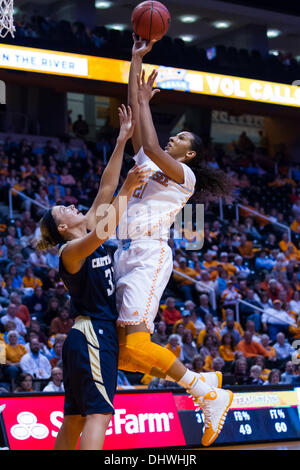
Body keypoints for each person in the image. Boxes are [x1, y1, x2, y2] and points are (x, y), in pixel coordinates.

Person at [36, 104, 149, 451]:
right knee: (98, 415)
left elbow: (107, 185)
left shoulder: (84, 232)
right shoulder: (70, 252)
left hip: (88, 337)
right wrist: (128, 191)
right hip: (92, 333)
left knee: (75, 419)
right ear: (63, 227)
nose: (71, 205)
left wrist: (121, 140)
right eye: (65, 210)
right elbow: (103, 231)